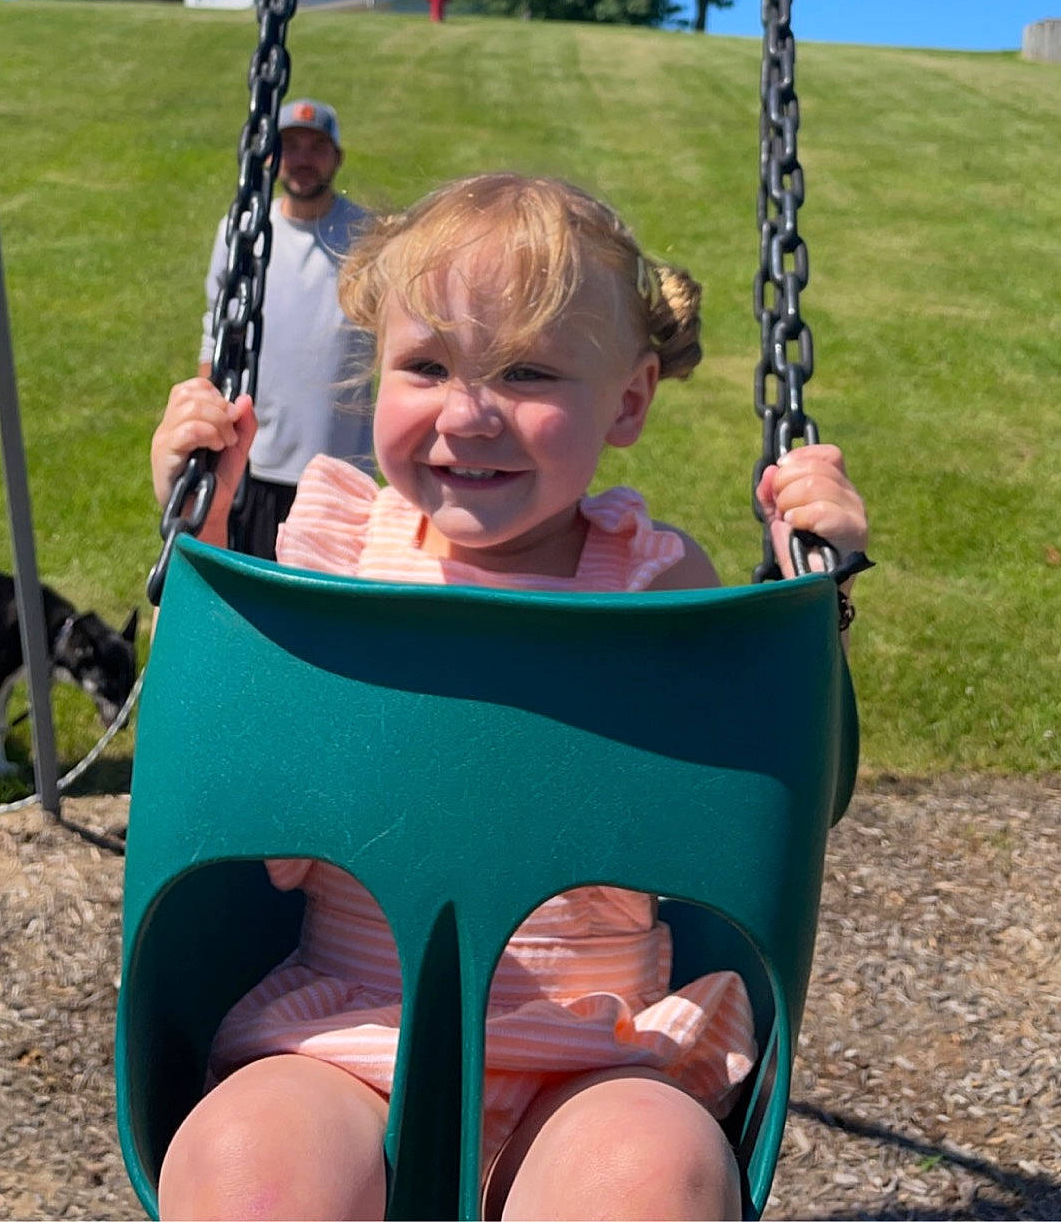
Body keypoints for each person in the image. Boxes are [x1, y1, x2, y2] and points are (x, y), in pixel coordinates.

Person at [152, 172, 869, 1222]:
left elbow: (795, 789)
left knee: (652, 1179)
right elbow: (210, 747)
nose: (468, 413)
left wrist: (816, 596)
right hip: (348, 1031)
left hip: (594, 1053)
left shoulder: (653, 584)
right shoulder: (337, 552)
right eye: (426, 365)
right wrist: (202, 532)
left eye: (527, 371)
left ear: (628, 399)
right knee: (243, 1167)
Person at [199, 98, 374, 558]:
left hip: (340, 468)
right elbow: (216, 330)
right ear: (271, 157)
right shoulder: (244, 231)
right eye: (290, 147)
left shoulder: (367, 236)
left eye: (316, 148)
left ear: (338, 158)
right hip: (258, 461)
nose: (303, 159)